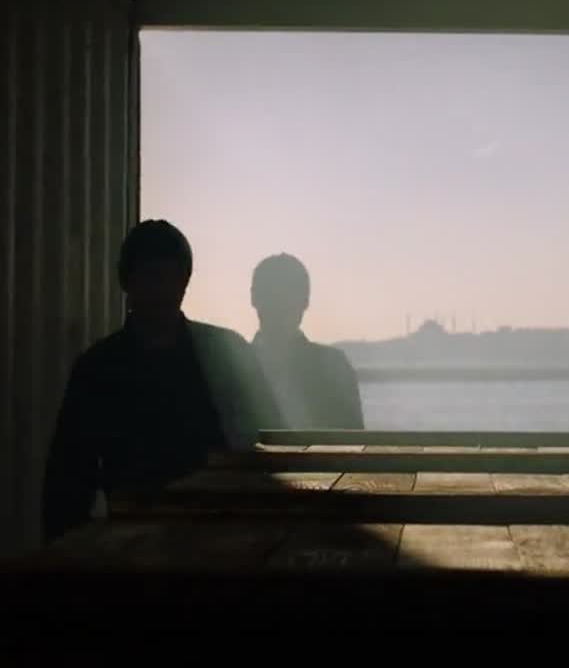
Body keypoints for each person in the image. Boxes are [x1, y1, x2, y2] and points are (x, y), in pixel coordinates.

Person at [42, 220, 279, 542]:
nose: (162, 290)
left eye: (171, 278)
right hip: (196, 541)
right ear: (128, 282)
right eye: (152, 277)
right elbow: (69, 480)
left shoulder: (99, 366)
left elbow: (68, 484)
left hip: (187, 540)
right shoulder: (224, 352)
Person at [248, 253, 364, 429]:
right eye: (274, 294)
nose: (281, 303)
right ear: (306, 301)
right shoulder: (333, 366)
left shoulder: (230, 368)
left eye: (288, 295)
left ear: (254, 297)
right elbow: (354, 438)